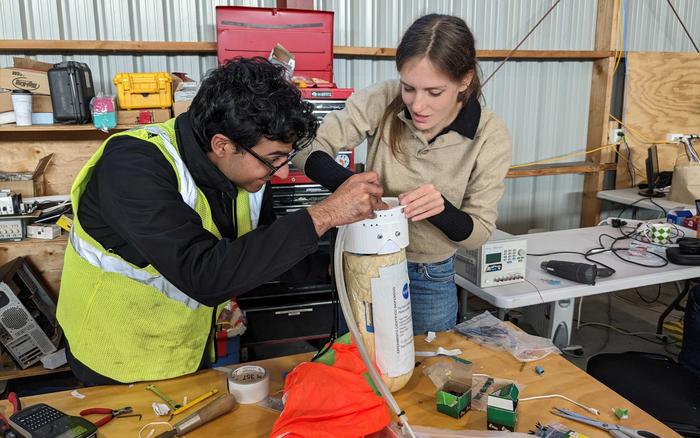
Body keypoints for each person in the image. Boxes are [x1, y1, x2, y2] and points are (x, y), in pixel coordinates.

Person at [56, 57, 384, 385]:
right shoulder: (132, 167)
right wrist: (326, 213)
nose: (282, 172)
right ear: (222, 145)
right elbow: (204, 275)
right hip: (115, 356)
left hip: (183, 346)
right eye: (273, 159)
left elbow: (268, 250)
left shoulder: (247, 174)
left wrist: (338, 267)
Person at [293, 14, 512, 334]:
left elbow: (478, 232)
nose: (418, 105)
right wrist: (350, 187)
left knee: (429, 370)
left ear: (464, 81)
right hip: (366, 261)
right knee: (357, 364)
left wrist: (442, 210)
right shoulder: (383, 98)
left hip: (431, 275)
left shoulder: (490, 134)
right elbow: (305, 148)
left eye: (434, 92)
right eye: (409, 88)